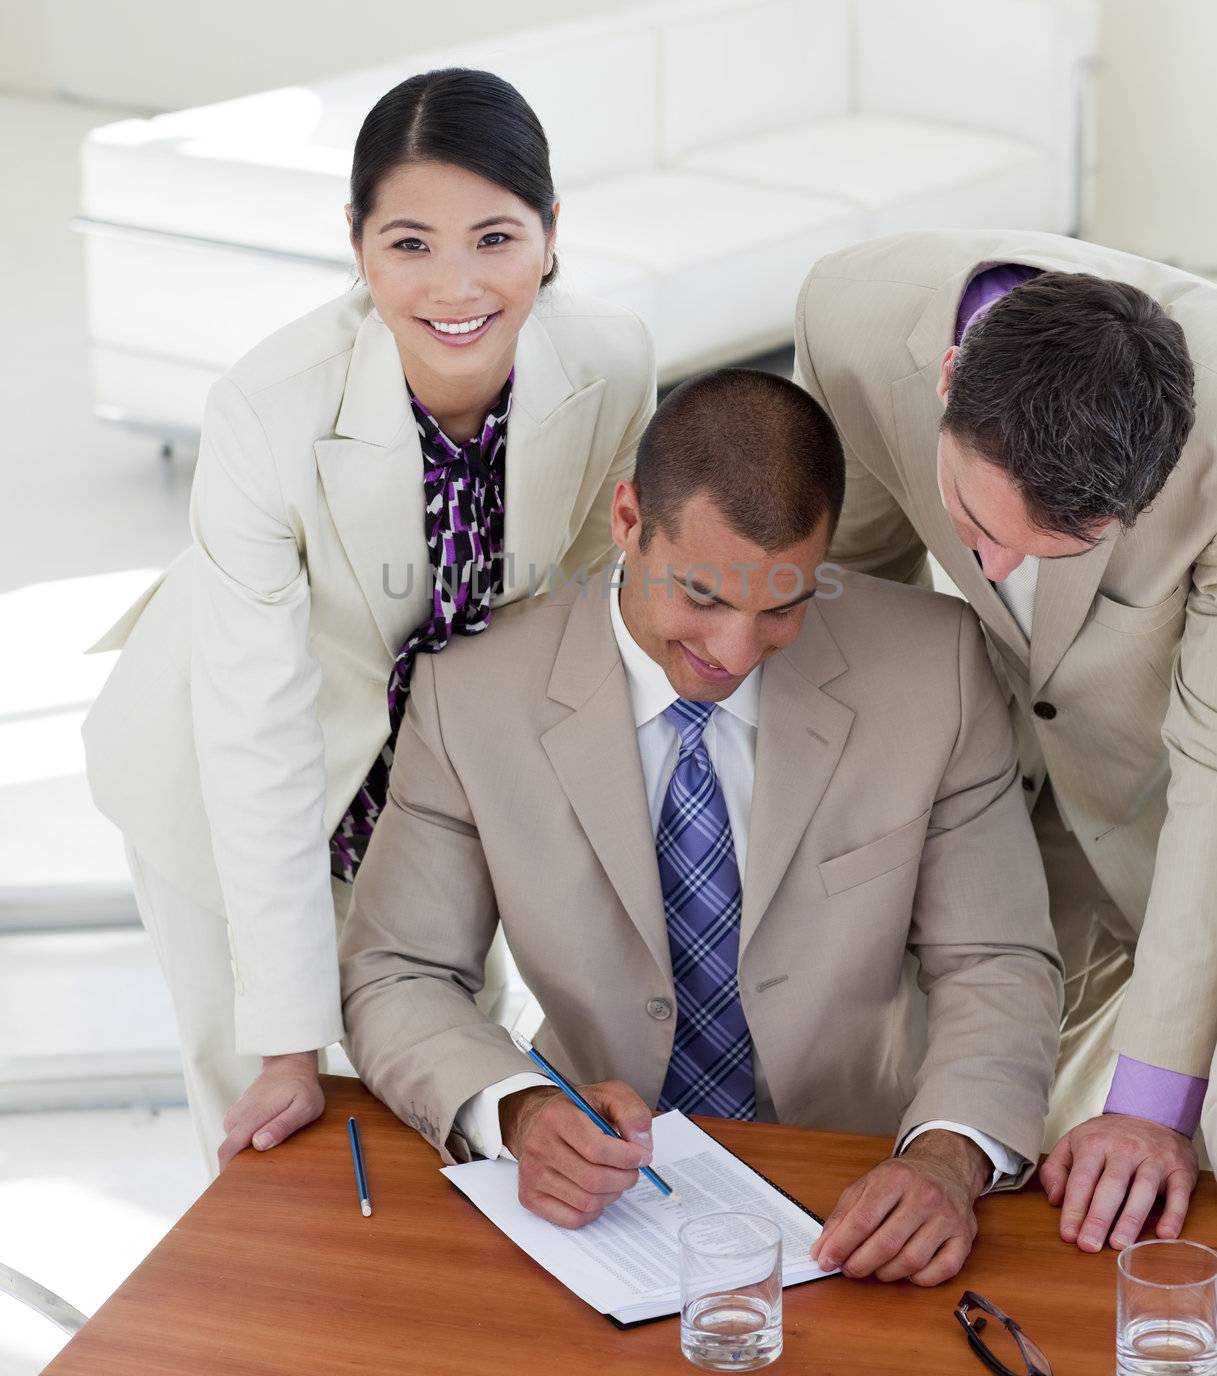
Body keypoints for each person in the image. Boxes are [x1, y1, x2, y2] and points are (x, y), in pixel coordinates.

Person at [340, 369, 1063, 1287]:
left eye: (784, 607)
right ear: (630, 518)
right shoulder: (471, 692)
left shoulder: (937, 668)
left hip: (852, 1177)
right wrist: (517, 1111)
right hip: (595, 1198)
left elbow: (994, 958)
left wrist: (948, 1158)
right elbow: (399, 967)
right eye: (704, 597)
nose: (732, 654)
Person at [82, 68, 656, 1176]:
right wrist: (291, 1043)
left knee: (452, 1099)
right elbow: (256, 736)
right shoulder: (268, 409)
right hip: (229, 781)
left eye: (494, 237)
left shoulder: (610, 363)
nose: (455, 286)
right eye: (409, 244)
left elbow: (580, 628)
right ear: (354, 243)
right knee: (270, 1142)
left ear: (549, 233)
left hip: (432, 789)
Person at [792, 228, 1213, 1256]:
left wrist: (1151, 1106)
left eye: (1048, 552)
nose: (990, 566)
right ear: (945, 378)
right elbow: (850, 600)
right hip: (1024, 801)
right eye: (978, 526)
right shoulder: (851, 317)